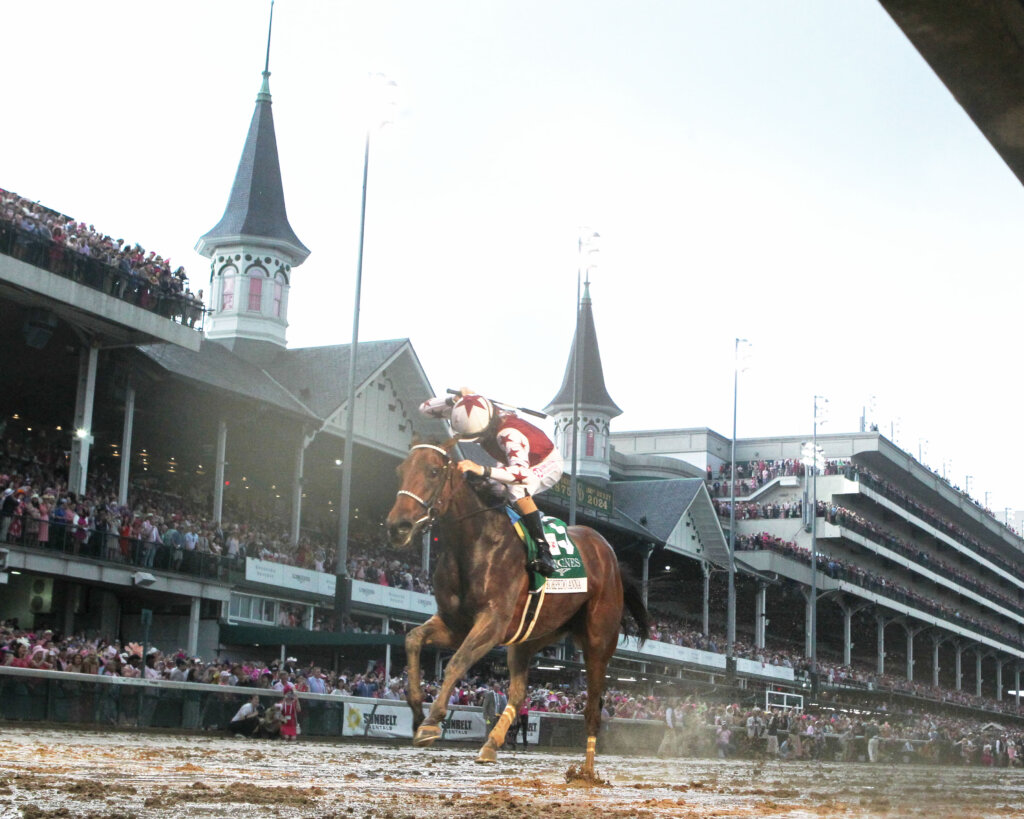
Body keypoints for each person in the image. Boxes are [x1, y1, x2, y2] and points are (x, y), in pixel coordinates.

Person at [419, 389, 563, 576]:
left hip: (544, 463)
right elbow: (424, 409)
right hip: (509, 461)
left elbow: (522, 475)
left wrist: (482, 469)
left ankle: (544, 550)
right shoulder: (469, 411)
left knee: (515, 491)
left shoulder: (509, 434)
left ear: (486, 427)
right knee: (484, 487)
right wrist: (452, 400)